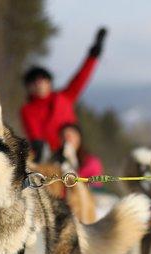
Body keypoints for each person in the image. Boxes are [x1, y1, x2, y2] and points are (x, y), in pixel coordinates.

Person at [21, 27, 108, 162]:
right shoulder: (28, 110)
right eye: (34, 81)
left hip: (75, 155)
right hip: (49, 158)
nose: (39, 84)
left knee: (93, 167)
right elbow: (35, 135)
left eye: (43, 79)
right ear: (28, 87)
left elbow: (82, 77)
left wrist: (94, 53)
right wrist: (40, 148)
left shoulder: (64, 97)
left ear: (49, 82)